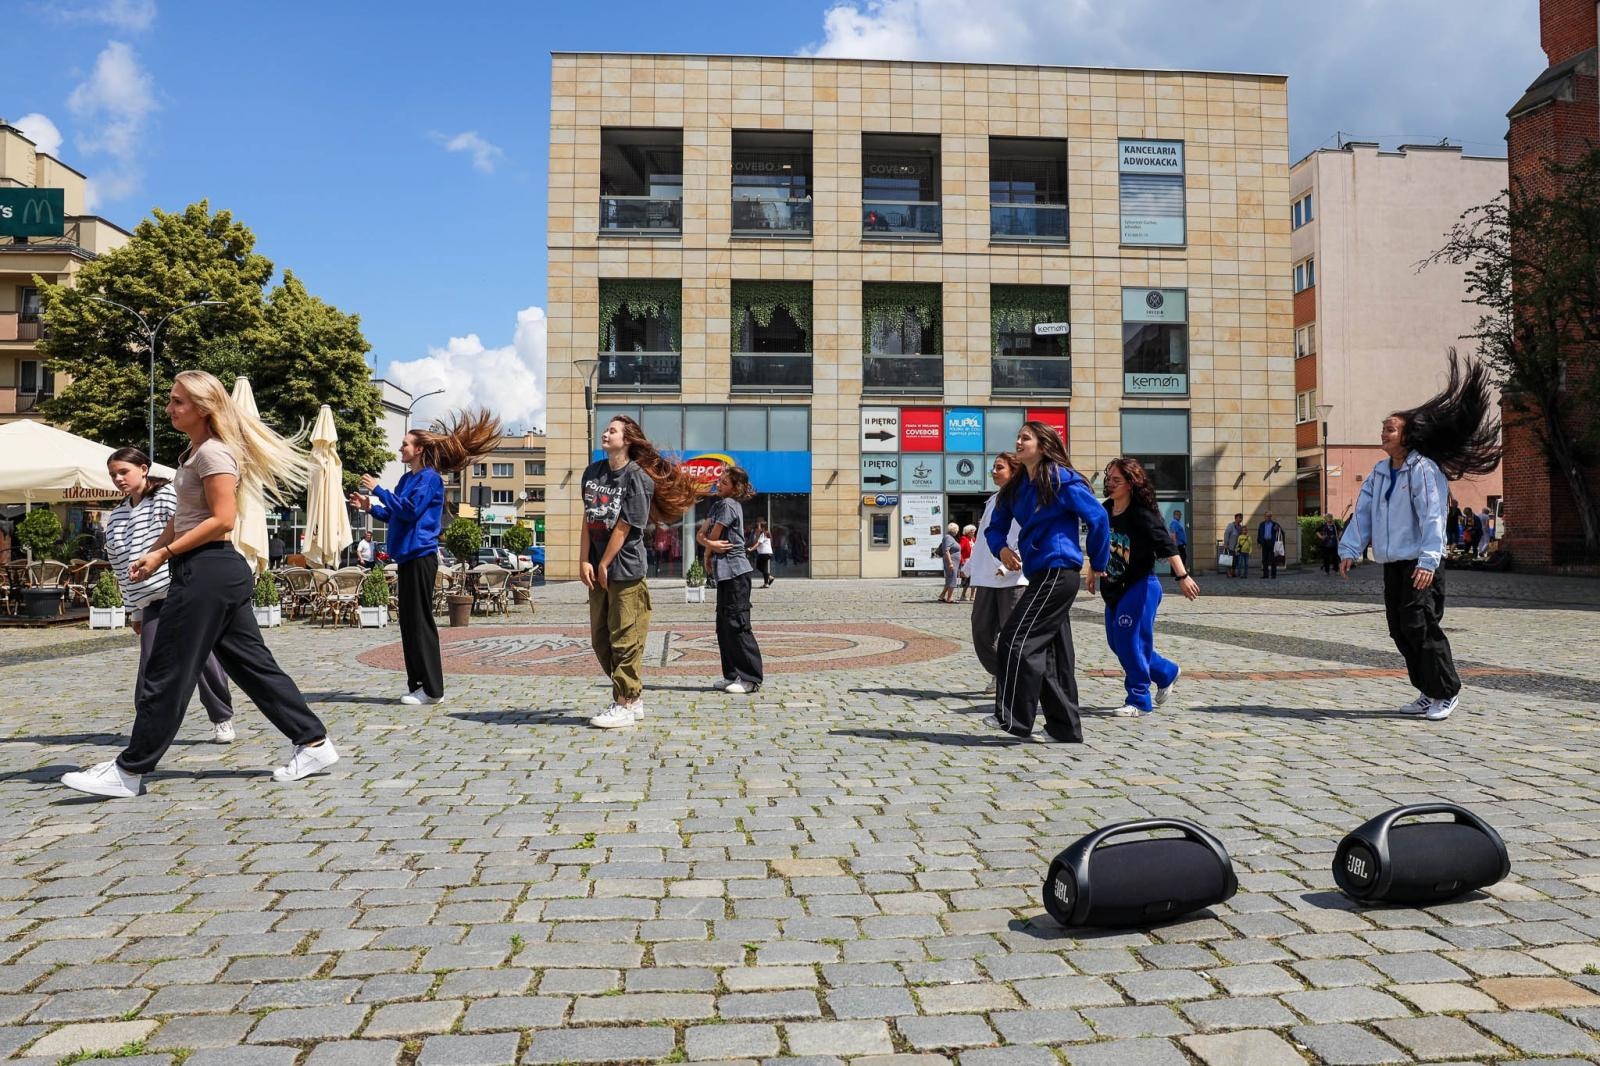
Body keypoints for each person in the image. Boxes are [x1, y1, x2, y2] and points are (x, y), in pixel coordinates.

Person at [61, 370, 338, 798]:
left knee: (167, 669)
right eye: (171, 401)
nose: (169, 408)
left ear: (204, 408)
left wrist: (164, 555)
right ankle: (313, 742)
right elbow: (183, 517)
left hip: (207, 571)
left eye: (178, 402)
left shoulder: (213, 454)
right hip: (210, 571)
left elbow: (223, 520)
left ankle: (129, 771)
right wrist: (154, 551)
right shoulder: (193, 453)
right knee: (253, 666)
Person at [1340, 352, 1501, 722]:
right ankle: (1428, 691)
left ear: (1408, 436)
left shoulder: (1423, 470)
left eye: (1390, 429)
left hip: (1420, 562)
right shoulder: (1380, 472)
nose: (1383, 433)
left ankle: (1447, 691)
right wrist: (1349, 548)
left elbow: (1432, 515)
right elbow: (1363, 514)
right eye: (1383, 427)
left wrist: (1430, 559)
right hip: (1394, 562)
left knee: (1420, 624)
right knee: (1399, 629)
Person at [350, 410, 500, 707]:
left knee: (421, 622)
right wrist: (370, 507)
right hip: (406, 557)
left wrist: (379, 488)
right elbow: (395, 514)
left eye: (405, 444)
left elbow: (410, 510)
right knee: (408, 623)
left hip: (421, 556)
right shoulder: (408, 479)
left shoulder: (430, 479)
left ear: (419, 449)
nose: (400, 448)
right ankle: (418, 685)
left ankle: (433, 689)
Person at [982, 420, 1110, 742]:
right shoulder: (1013, 489)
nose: (1019, 441)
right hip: (1040, 573)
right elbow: (994, 527)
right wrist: (1001, 548)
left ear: (1043, 444)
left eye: (1026, 437)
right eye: (1018, 437)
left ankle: (1011, 719)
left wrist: (1098, 561)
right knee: (1054, 656)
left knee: (1015, 639)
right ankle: (1064, 729)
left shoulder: (1061, 479)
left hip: (1058, 572)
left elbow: (1098, 518)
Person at [104, 447, 235, 742]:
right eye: (113, 474)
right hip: (149, 599)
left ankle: (221, 716)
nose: (118, 478)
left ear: (144, 468)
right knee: (151, 663)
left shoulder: (165, 496)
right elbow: (120, 566)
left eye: (124, 471)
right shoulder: (116, 517)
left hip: (181, 589)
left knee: (201, 659)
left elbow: (186, 528)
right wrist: (134, 610)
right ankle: (149, 725)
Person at [582, 415, 697, 729]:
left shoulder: (638, 478)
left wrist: (604, 562)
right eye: (606, 429)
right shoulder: (592, 473)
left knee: (625, 639)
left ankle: (623, 702)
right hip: (597, 569)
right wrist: (584, 559)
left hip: (626, 569)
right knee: (600, 640)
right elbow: (588, 518)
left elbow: (624, 527)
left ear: (628, 440)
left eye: (613, 430)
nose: (606, 433)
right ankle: (633, 698)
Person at [1090, 457, 1199, 717]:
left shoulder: (1142, 513)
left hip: (1140, 585)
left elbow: (1166, 545)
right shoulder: (1105, 511)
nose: (1110, 484)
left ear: (1131, 483)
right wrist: (1092, 570)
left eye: (1117, 480)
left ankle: (1139, 699)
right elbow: (1097, 543)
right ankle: (1166, 671)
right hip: (1113, 587)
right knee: (1118, 643)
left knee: (1129, 642)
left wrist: (1182, 576)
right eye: (1109, 479)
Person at [698, 466, 764, 694]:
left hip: (736, 572)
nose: (719, 484)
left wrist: (707, 548)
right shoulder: (717, 504)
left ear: (735, 488)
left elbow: (712, 537)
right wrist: (707, 546)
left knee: (737, 625)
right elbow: (703, 535)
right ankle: (732, 674)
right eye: (719, 480)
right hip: (725, 573)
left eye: (725, 483)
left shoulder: (727, 505)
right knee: (723, 626)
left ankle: (750, 677)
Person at [969, 453, 1027, 695]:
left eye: (999, 467)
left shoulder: (1021, 498)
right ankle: (1002, 672)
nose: (993, 471)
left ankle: (1020, 680)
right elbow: (984, 541)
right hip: (986, 578)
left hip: (1012, 577)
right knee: (981, 630)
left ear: (1014, 471)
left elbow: (1023, 536)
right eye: (993, 467)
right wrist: (970, 567)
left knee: (1012, 633)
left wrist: (1010, 563)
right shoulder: (993, 499)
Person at [938, 522, 961, 603]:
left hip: (954, 562)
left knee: (949, 579)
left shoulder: (950, 537)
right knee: (952, 579)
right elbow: (946, 551)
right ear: (954, 530)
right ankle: (949, 598)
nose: (957, 531)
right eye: (957, 530)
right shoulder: (948, 537)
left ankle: (942, 596)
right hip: (951, 562)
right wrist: (950, 563)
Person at [1258, 512, 1285, 578]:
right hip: (1264, 543)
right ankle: (1265, 575)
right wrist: (1259, 542)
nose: (1268, 517)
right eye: (1267, 516)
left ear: (1271, 517)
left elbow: (1282, 532)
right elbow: (1259, 534)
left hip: (1272, 543)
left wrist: (1278, 528)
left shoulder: (1275, 524)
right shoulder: (1261, 524)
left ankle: (1273, 575)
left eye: (1269, 516)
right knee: (1264, 559)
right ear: (1264, 517)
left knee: (1273, 559)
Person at [1167, 508, 1189, 582]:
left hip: (1179, 545)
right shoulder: (1175, 523)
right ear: (1175, 515)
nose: (1180, 516)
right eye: (1179, 515)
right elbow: (1173, 534)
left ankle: (1177, 573)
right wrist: (1175, 545)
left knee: (1181, 558)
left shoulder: (1177, 523)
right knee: (1181, 559)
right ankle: (1178, 574)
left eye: (1180, 515)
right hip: (1178, 545)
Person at [1223, 513, 1247, 578]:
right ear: (1236, 518)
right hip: (1230, 546)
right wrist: (1225, 544)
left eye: (1241, 518)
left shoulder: (1240, 527)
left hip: (1237, 547)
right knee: (1229, 560)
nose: (1241, 519)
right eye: (1239, 518)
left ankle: (1233, 572)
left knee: (1235, 560)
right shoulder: (1231, 525)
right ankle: (1228, 573)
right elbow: (1226, 534)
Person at [752, 520, 774, 588]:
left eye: (759, 526)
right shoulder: (766, 533)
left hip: (763, 553)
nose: (758, 528)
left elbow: (759, 543)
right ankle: (767, 581)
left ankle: (768, 581)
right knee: (763, 568)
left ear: (763, 527)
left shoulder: (763, 534)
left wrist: (751, 549)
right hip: (767, 553)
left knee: (760, 567)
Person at [957, 524, 976, 602]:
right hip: (966, 561)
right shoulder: (964, 539)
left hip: (974, 561)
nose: (973, 533)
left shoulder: (974, 539)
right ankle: (963, 595)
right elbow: (959, 550)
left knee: (974, 579)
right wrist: (962, 560)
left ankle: (972, 595)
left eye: (974, 531)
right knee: (966, 579)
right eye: (972, 532)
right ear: (967, 532)